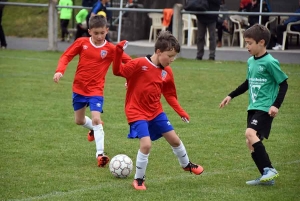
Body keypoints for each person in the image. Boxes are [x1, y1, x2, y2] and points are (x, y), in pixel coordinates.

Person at [112, 31, 204, 190]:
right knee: (146, 144)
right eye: (170, 56)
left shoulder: (167, 71)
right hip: (136, 111)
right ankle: (138, 179)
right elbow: (118, 71)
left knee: (175, 140)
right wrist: (118, 51)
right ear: (159, 52)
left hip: (156, 111)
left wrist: (181, 111)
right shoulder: (139, 63)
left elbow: (169, 94)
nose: (172, 60)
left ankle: (186, 164)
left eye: (174, 56)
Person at [53, 15, 132, 167]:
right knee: (79, 121)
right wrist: (59, 71)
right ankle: (94, 129)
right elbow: (66, 56)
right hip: (79, 89)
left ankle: (100, 155)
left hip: (96, 90)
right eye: (96, 33)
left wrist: (128, 79)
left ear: (107, 30)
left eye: (102, 33)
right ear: (89, 31)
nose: (99, 36)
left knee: (96, 119)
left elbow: (128, 62)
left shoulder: (111, 49)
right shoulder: (81, 43)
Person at [219, 24, 288, 186]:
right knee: (250, 142)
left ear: (261, 42)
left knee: (250, 133)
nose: (247, 46)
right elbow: (248, 83)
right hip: (253, 106)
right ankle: (266, 176)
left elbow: (283, 84)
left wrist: (276, 105)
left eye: (250, 43)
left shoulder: (270, 62)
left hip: (265, 107)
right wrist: (231, 95)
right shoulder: (251, 61)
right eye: (246, 42)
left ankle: (270, 170)